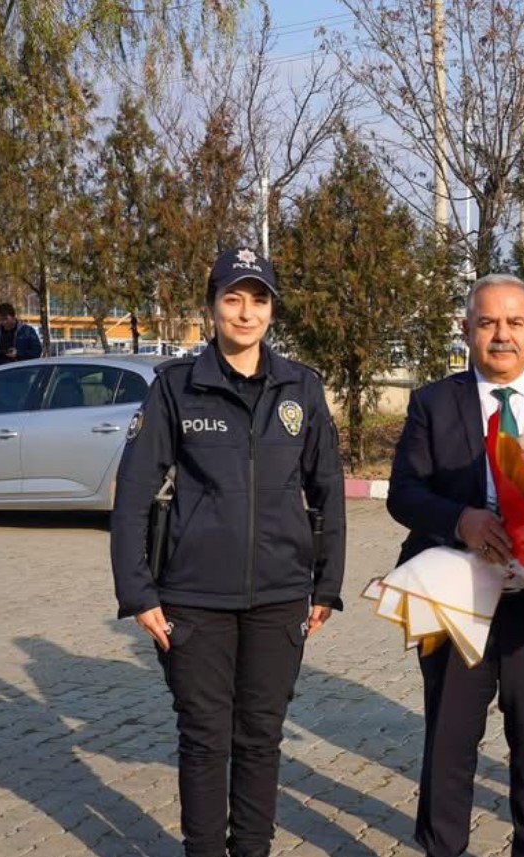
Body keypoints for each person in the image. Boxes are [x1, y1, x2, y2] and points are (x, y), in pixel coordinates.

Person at [110, 246, 346, 857]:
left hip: (279, 596)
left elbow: (327, 493)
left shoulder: (302, 389)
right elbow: (132, 495)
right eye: (233, 299)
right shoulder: (176, 389)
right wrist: (138, 593)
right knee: (205, 738)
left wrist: (326, 585)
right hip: (192, 601)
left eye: (258, 299)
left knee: (261, 738)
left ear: (272, 309)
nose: (246, 313)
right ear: (212, 307)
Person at [387, 273, 524, 857]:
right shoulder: (434, 401)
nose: (501, 335)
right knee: (450, 743)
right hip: (456, 594)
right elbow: (403, 493)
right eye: (487, 322)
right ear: (466, 330)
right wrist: (463, 520)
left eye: (513, 323)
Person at [0, 302, 41, 369]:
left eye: (6, 319)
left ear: (13, 316)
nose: (3, 322)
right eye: (0, 320)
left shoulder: (27, 331)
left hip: (20, 371)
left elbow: (37, 352)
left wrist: (18, 353)